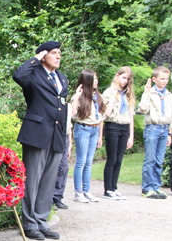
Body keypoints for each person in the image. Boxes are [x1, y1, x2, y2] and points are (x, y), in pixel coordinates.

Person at [13, 41, 68, 241]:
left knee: (48, 181)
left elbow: (62, 106)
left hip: (56, 135)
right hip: (37, 133)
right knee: (32, 180)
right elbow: (18, 75)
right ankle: (29, 223)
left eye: (59, 53)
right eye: (54, 53)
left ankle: (42, 220)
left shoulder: (62, 78)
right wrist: (36, 58)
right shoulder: (33, 74)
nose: (58, 56)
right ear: (44, 55)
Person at [70, 70, 111, 203]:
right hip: (83, 129)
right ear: (87, 81)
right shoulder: (80, 96)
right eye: (93, 79)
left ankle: (87, 190)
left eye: (96, 78)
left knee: (89, 162)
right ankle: (78, 192)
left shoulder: (97, 96)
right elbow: (72, 113)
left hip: (94, 129)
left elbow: (102, 117)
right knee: (81, 161)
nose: (96, 81)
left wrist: (100, 136)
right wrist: (77, 96)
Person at [138, 66, 172, 199]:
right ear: (154, 79)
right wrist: (146, 93)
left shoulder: (169, 95)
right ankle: (147, 188)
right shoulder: (150, 93)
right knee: (150, 159)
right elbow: (143, 109)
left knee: (159, 160)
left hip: (164, 129)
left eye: (166, 79)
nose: (165, 81)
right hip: (153, 128)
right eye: (162, 79)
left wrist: (170, 133)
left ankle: (155, 186)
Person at [101, 67, 135, 200]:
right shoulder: (109, 92)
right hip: (113, 126)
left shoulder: (128, 93)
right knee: (112, 159)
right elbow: (106, 113)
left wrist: (131, 136)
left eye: (127, 79)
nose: (125, 81)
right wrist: (115, 96)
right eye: (123, 78)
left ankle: (114, 187)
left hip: (124, 127)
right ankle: (107, 189)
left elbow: (131, 116)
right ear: (117, 76)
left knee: (119, 160)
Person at [52, 104, 73, 209]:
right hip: (56, 135)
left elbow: (70, 124)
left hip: (65, 137)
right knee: (52, 167)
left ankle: (57, 197)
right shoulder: (55, 103)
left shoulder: (68, 105)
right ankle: (49, 199)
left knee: (63, 168)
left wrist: (70, 142)